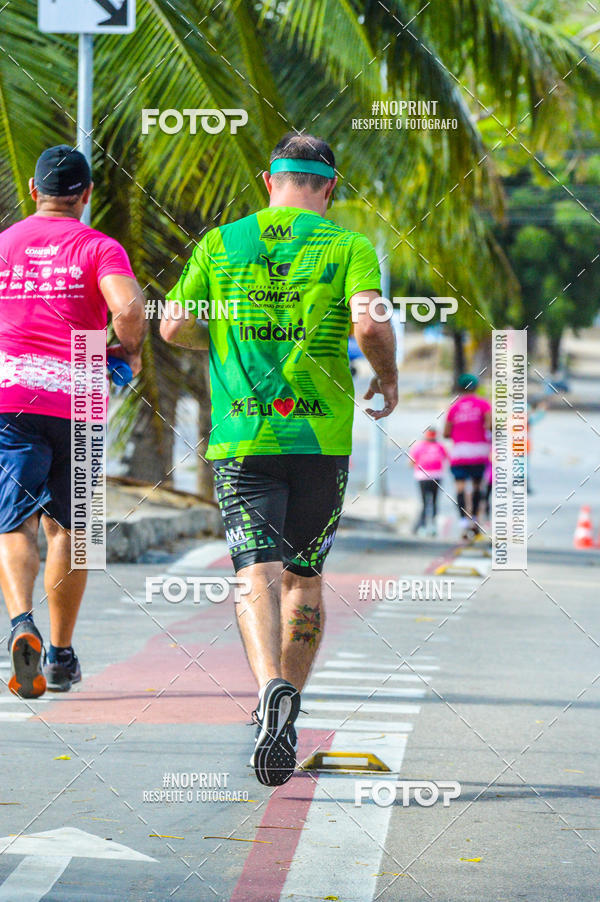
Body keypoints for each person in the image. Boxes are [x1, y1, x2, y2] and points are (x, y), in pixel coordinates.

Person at [161, 133, 398, 786]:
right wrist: (390, 377)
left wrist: (227, 337)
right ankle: (288, 710)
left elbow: (172, 325)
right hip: (321, 440)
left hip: (243, 438)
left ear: (270, 181)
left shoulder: (220, 243)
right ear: (331, 186)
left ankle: (268, 690)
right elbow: (370, 324)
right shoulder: (347, 246)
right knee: (304, 577)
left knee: (254, 575)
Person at [0, 145, 146, 698]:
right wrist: (127, 351)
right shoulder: (97, 245)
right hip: (80, 392)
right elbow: (129, 309)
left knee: (14, 521)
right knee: (73, 529)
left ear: (33, 192)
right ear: (86, 196)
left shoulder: (4, 244)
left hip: (9, 392)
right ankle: (60, 657)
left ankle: (21, 625)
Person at [443, 373, 491, 539]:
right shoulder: (484, 405)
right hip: (479, 450)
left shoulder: (454, 407)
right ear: (477, 387)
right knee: (478, 486)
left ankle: (464, 521)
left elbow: (446, 433)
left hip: (460, 451)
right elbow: (490, 425)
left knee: (460, 488)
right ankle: (475, 520)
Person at [410, 427, 448, 536]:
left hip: (422, 477)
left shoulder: (419, 446)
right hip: (436, 476)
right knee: (434, 502)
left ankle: (422, 525)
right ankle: (433, 526)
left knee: (424, 502)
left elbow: (411, 462)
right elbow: (445, 458)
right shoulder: (440, 446)